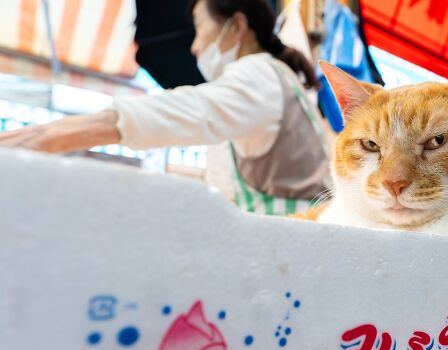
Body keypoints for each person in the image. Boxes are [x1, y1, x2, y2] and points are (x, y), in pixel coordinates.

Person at [0, 0, 330, 215]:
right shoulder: (284, 77)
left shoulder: (258, 73)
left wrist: (46, 135)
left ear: (237, 27)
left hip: (293, 253)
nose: (195, 45)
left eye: (200, 29)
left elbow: (183, 111)